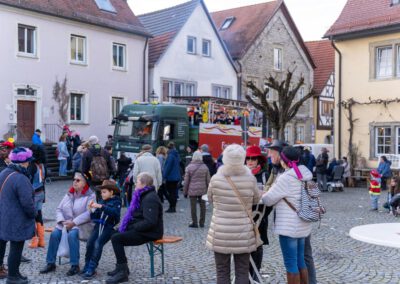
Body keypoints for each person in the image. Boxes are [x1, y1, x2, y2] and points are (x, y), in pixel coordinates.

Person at [206, 144, 260, 284]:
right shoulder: (250, 179)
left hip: (221, 230)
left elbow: (210, 198)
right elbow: (256, 199)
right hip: (243, 231)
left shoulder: (216, 179)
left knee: (222, 271)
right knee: (242, 270)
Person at [262, 146, 313, 284]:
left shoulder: (286, 178)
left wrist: (265, 193)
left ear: (284, 161)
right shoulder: (305, 174)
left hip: (288, 226)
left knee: (290, 263)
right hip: (303, 223)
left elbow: (268, 199)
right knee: (300, 260)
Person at [106, 172, 163, 284]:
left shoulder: (150, 198)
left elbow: (150, 222)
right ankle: (122, 268)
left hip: (151, 232)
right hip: (143, 229)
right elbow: (138, 216)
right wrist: (128, 226)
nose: (135, 184)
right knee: (114, 234)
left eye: (137, 181)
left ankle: (123, 274)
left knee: (117, 239)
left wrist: (133, 227)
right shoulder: (144, 195)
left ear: (143, 184)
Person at [40, 172, 95, 276]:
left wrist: (74, 222)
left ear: (85, 183)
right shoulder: (69, 194)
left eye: (78, 180)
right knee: (55, 234)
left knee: (72, 234)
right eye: (74, 179)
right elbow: (59, 209)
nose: (74, 182)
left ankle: (75, 265)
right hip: (65, 224)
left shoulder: (90, 196)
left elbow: (89, 213)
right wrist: (61, 221)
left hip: (81, 225)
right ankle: (50, 263)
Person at [0, 148, 35, 284]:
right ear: (24, 162)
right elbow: (27, 203)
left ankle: (16, 273)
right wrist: (33, 214)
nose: (29, 164)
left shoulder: (4, 172)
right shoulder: (20, 178)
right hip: (16, 219)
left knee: (6, 243)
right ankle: (13, 277)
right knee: (16, 247)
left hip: (3, 216)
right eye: (28, 162)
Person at [82, 180, 122, 279]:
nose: (102, 194)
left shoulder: (117, 201)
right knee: (90, 243)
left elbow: (115, 214)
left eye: (104, 192)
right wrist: (91, 210)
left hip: (108, 228)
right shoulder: (102, 201)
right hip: (98, 227)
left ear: (111, 192)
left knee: (98, 244)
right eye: (101, 192)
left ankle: (92, 268)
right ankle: (87, 265)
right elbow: (95, 217)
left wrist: (101, 206)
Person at [245, 145, 272, 281]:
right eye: (248, 158)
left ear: (258, 160)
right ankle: (245, 278)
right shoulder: (241, 175)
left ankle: (255, 277)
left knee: (258, 246)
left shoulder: (265, 175)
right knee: (244, 248)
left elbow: (271, 199)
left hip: (260, 218)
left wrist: (262, 216)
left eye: (253, 158)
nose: (250, 161)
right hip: (243, 218)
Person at [183, 151, 210, 228]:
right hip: (203, 190)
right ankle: (202, 222)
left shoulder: (189, 167)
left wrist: (185, 192)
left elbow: (186, 181)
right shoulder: (205, 167)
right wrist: (209, 190)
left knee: (193, 206)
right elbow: (208, 180)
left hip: (192, 190)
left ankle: (194, 223)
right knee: (203, 206)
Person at [27, 145, 47, 249]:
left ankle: (34, 240)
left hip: (34, 194)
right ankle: (42, 240)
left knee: (32, 216)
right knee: (39, 215)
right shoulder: (42, 165)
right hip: (41, 192)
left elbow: (27, 181)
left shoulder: (32, 166)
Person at [163, 142, 181, 213]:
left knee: (170, 192)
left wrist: (164, 176)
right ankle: (173, 207)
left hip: (171, 177)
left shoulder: (170, 156)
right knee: (174, 192)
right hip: (176, 176)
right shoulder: (176, 154)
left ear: (168, 148)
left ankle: (172, 207)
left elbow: (168, 167)